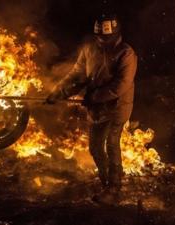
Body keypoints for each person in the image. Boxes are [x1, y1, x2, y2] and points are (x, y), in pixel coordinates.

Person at [46, 14, 137, 205]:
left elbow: (121, 85)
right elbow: (77, 75)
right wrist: (60, 92)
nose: (102, 41)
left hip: (117, 108)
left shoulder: (126, 54)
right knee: (95, 148)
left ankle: (114, 189)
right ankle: (107, 182)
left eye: (106, 37)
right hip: (96, 109)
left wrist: (94, 97)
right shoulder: (89, 49)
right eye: (99, 37)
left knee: (112, 144)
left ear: (116, 34)